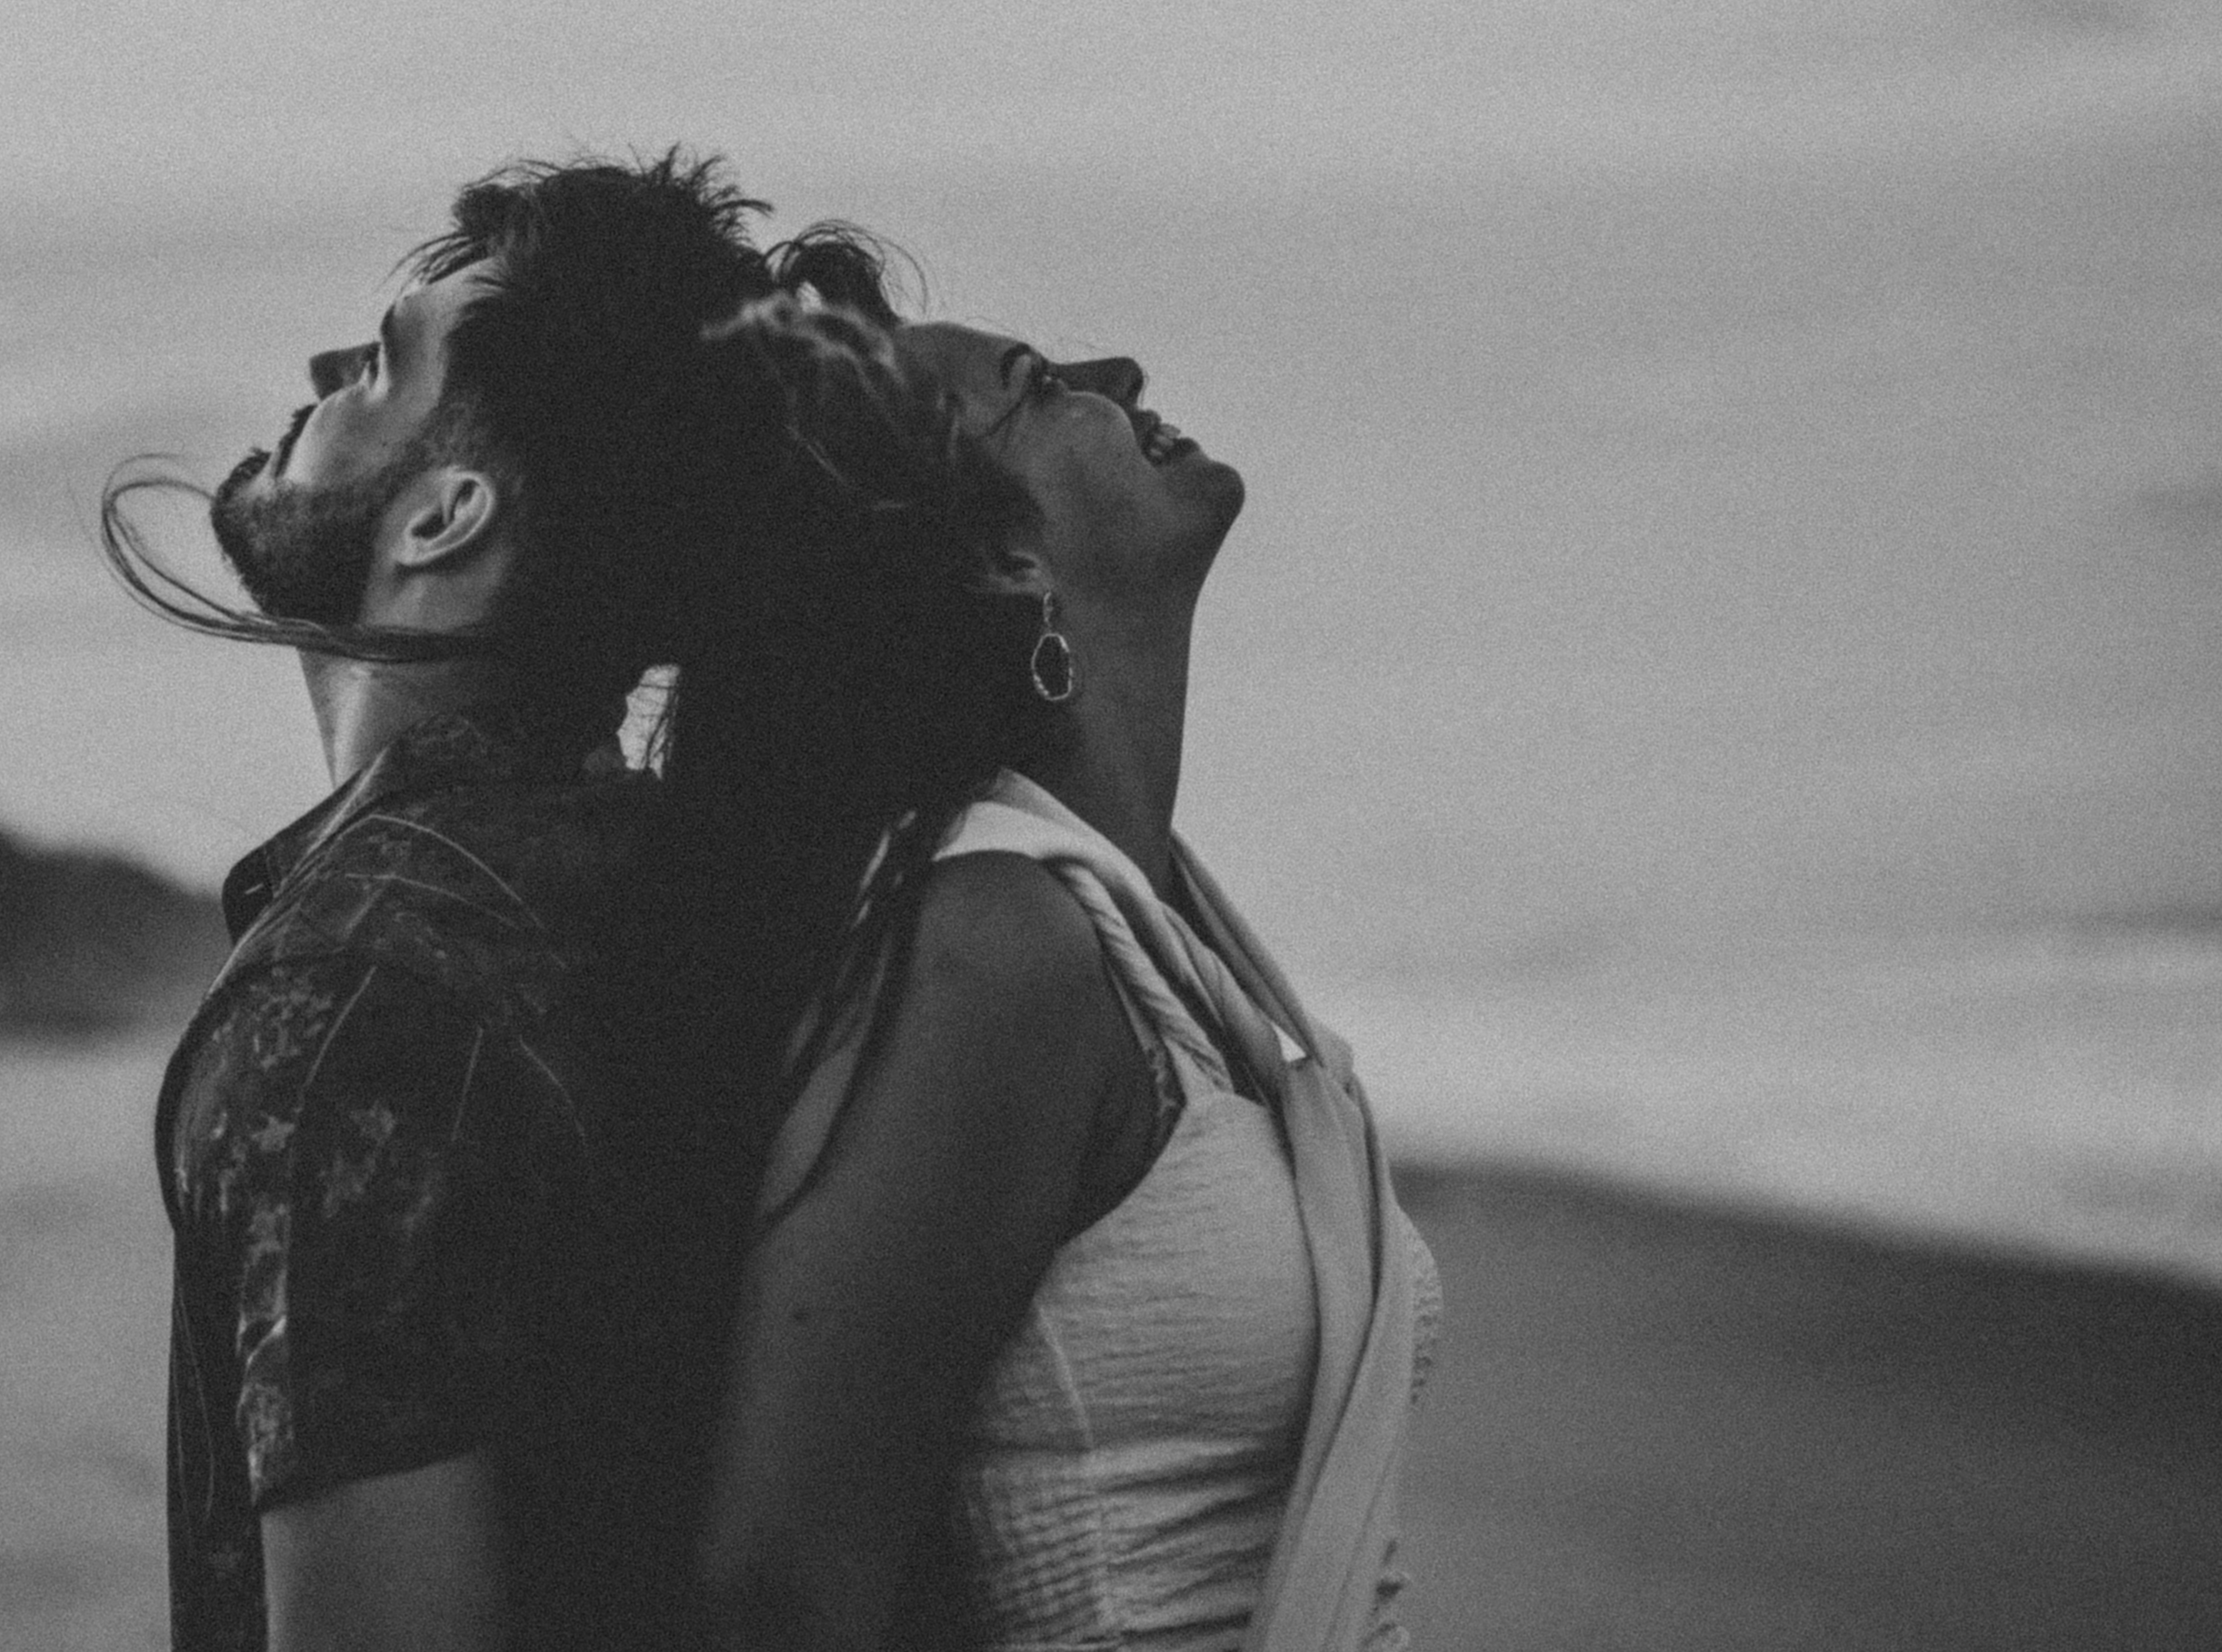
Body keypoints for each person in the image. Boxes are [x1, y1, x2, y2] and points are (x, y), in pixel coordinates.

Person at [106, 153, 873, 1652]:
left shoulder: (361, 996)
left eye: (383, 365)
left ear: (447, 514)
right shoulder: (696, 898)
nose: (323, 380)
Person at [669, 292, 1442, 1652]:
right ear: (1005, 562)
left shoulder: (1167, 933)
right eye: (1035, 384)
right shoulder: (999, 943)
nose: (1120, 367)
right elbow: (778, 1595)